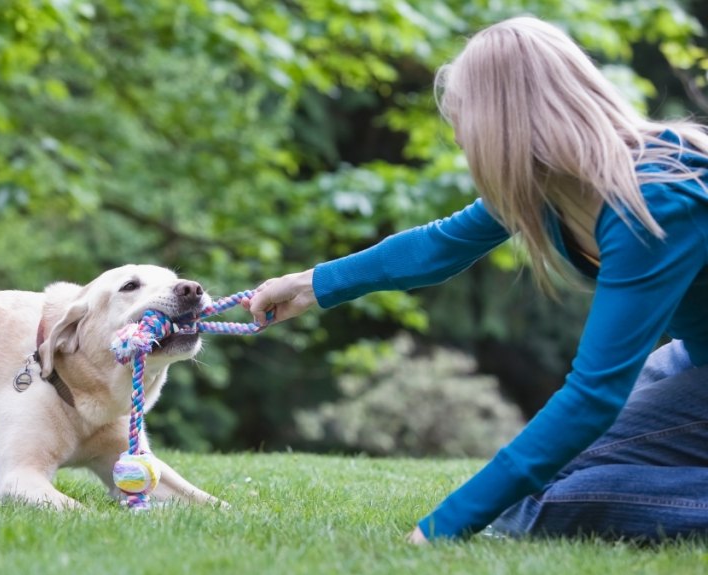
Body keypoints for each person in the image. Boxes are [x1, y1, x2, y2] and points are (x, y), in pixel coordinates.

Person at [246, 15, 708, 542]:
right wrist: (311, 284)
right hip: (695, 361)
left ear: (502, 123)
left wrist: (441, 528)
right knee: (540, 482)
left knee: (541, 505)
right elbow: (439, 244)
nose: (461, 138)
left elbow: (593, 396)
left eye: (463, 119)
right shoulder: (551, 187)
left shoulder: (653, 203)